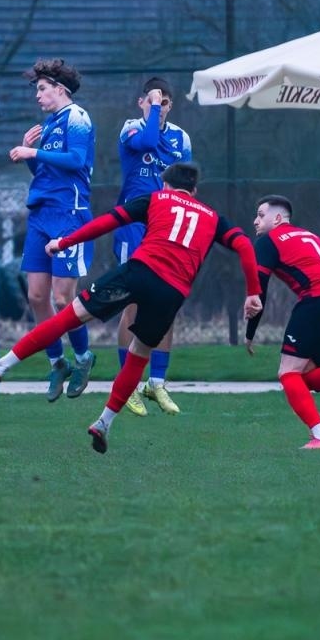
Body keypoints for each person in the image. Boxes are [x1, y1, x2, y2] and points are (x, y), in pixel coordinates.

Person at [0, 162, 262, 455]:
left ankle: (3, 364)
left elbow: (108, 222)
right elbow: (245, 246)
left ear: (165, 185)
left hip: (138, 272)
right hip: (172, 292)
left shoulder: (156, 199)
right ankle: (104, 422)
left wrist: (65, 242)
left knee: (68, 317)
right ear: (194, 191)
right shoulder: (213, 217)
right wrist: (252, 292)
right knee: (139, 357)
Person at [8, 58, 97, 401]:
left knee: (63, 298)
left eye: (42, 89)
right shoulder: (50, 124)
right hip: (41, 215)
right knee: (36, 296)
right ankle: (57, 362)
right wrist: (32, 156)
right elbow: (45, 174)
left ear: (60, 90)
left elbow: (75, 161)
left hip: (68, 215)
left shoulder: (77, 117)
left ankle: (84, 357)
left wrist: (34, 150)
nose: (38, 96)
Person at [245, 195, 320, 449]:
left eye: (260, 215)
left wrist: (250, 332)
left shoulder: (267, 241)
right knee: (304, 376)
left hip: (317, 300)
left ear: (277, 218)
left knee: (287, 372)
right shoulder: (309, 236)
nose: (255, 221)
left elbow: (260, 289)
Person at [113, 77, 193, 416]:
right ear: (141, 102)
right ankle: (126, 384)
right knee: (132, 306)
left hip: (167, 228)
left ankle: (157, 383)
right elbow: (147, 141)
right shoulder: (132, 128)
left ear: (171, 105)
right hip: (134, 225)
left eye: (162, 102)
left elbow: (186, 182)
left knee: (167, 304)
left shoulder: (181, 138)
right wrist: (153, 109)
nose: (156, 107)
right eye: (150, 101)